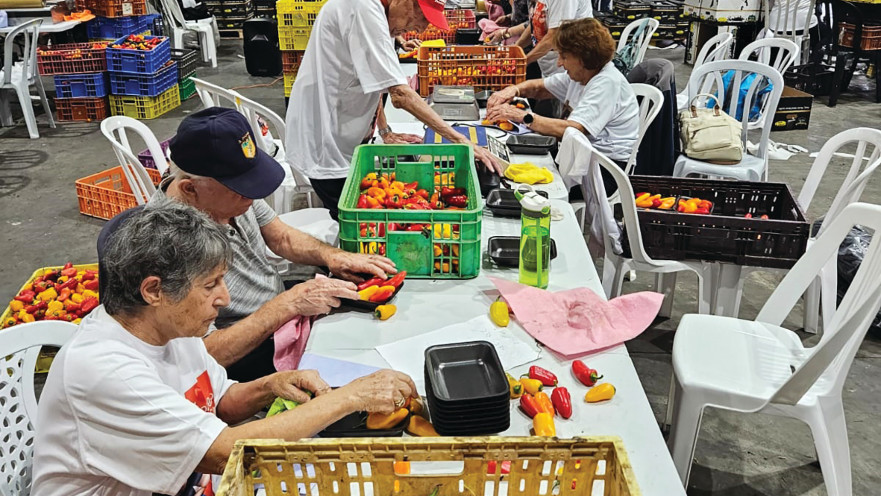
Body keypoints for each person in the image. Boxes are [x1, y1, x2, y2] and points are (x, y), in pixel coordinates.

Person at [32, 201, 418, 496]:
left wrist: (271, 385)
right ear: (154, 290)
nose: (224, 297)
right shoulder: (105, 368)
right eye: (210, 285)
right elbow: (226, 452)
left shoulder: (171, 328)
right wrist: (349, 397)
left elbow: (220, 401)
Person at [152, 107, 397, 382]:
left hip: (277, 309)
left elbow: (281, 237)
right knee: (359, 363)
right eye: (240, 189)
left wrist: (334, 257)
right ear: (189, 188)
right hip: (244, 348)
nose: (252, 196)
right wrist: (288, 304)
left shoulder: (224, 192)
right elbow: (206, 354)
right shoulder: (168, 245)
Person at [284, 0, 502, 220]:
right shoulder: (363, 8)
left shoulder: (381, 14)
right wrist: (461, 141)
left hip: (345, 130)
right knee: (354, 224)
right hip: (326, 139)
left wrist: (385, 130)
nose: (420, 29)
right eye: (421, 17)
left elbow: (373, 80)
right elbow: (399, 94)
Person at [486, 18, 638, 193]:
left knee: (520, 186)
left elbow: (572, 130)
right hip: (579, 158)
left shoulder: (606, 83)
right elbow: (540, 88)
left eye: (564, 56)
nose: (559, 63)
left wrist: (521, 116)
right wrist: (513, 90)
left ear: (583, 57)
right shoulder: (582, 74)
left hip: (604, 171)